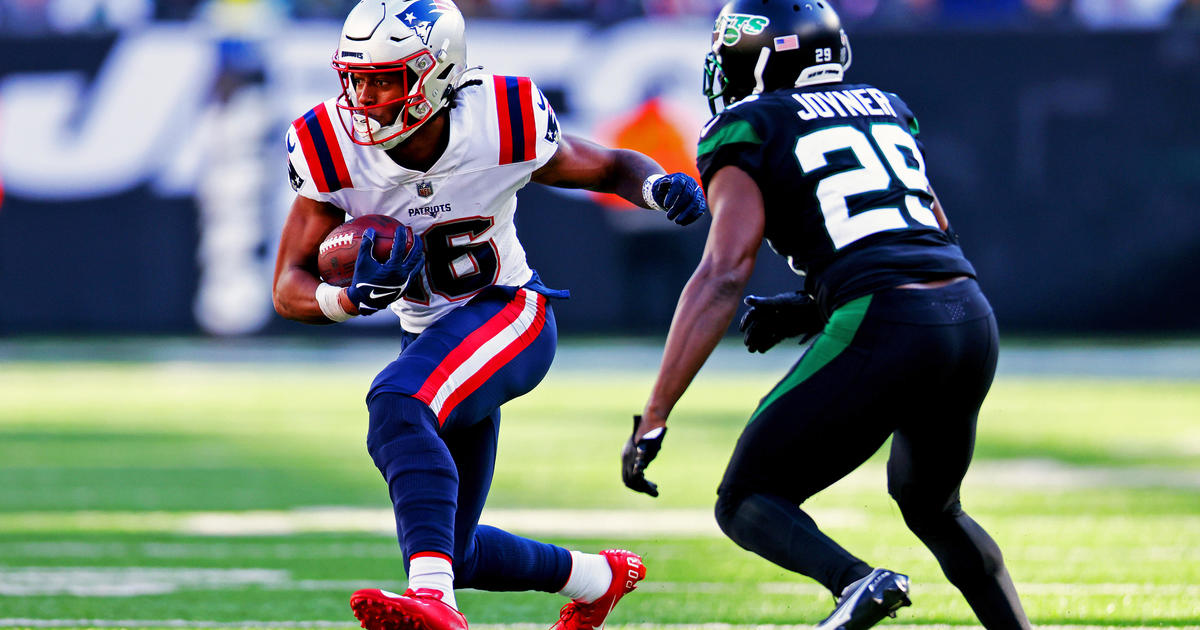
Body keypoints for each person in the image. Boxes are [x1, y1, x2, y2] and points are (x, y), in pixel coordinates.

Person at [271, 2, 707, 629]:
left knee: (396, 403)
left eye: (385, 79)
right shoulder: (329, 144)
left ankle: (432, 603)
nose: (364, 97)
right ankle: (598, 578)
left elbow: (609, 164)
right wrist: (344, 300)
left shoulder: (498, 117)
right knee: (454, 547)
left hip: (510, 312)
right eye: (356, 78)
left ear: (438, 72)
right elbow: (289, 284)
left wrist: (656, 186)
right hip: (430, 334)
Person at [620, 2, 1032, 629]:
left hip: (888, 318)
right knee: (934, 507)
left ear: (764, 59)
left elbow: (723, 272)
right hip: (968, 315)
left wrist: (655, 414)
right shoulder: (885, 106)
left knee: (747, 498)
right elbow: (930, 229)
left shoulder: (748, 124)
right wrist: (816, 304)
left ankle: (856, 583)